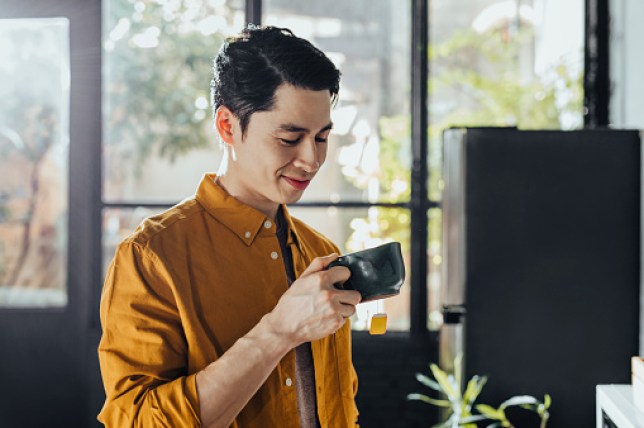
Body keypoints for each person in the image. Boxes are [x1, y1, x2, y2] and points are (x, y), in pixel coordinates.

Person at [97, 25, 362, 427]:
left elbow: (340, 404)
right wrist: (277, 332)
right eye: (290, 138)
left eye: (321, 137)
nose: (311, 160)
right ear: (227, 126)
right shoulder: (151, 256)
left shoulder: (318, 251)